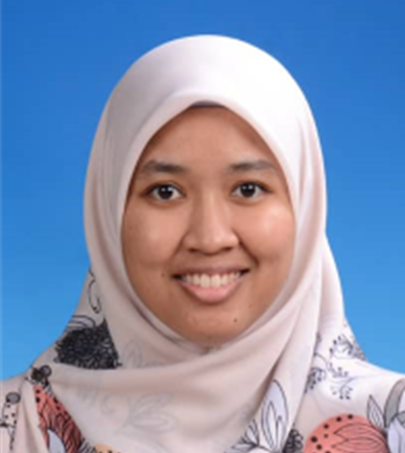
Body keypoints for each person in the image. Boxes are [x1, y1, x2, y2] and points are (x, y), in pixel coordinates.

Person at [1, 35, 404, 453]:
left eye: (248, 189)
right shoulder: (17, 428)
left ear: (305, 207)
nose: (210, 238)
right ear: (109, 211)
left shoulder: (390, 428)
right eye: (165, 192)